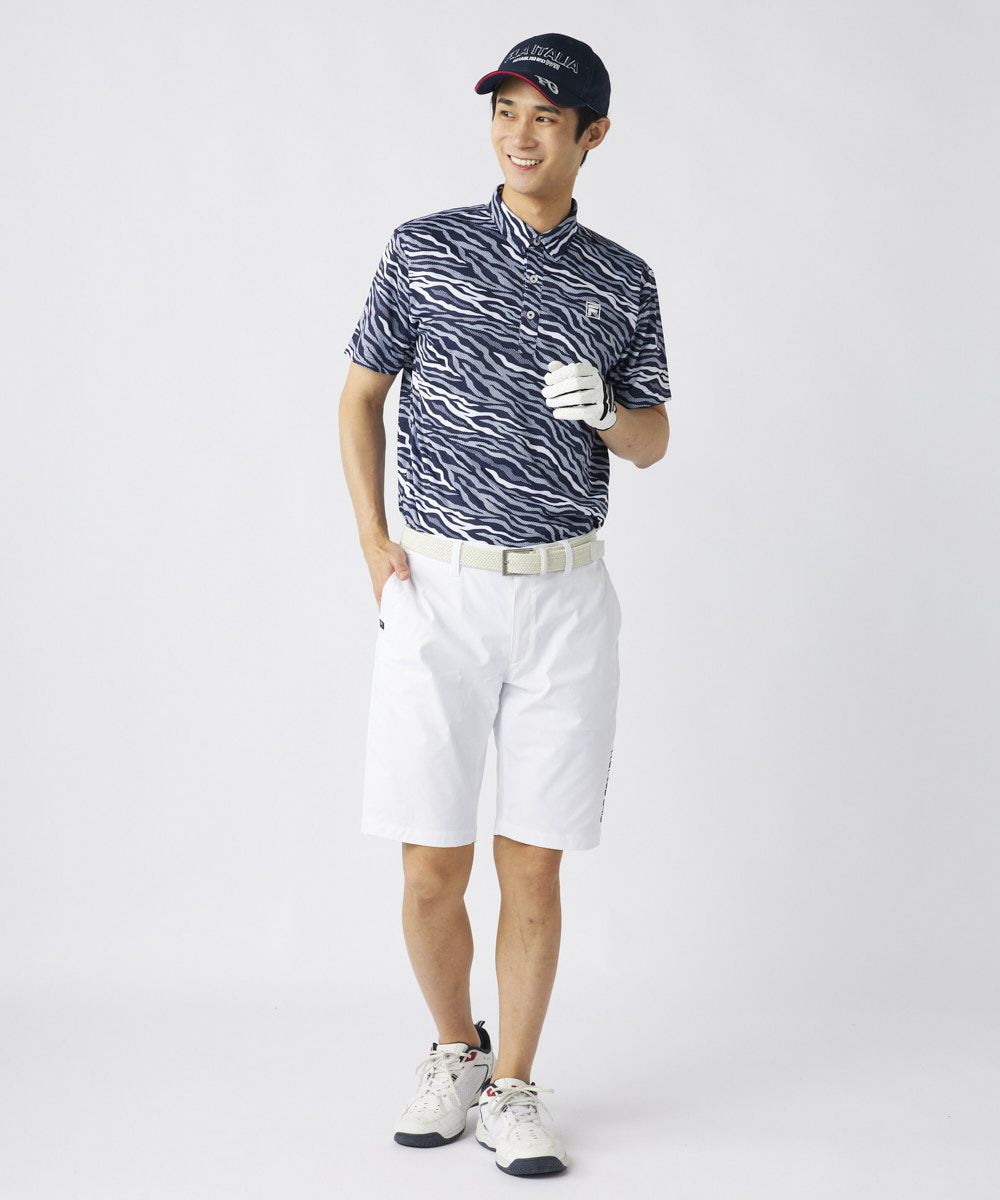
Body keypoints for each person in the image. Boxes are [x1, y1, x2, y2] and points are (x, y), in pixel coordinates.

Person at [338, 32, 671, 1177]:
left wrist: (610, 415)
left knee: (533, 867)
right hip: (437, 591)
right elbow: (360, 395)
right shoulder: (424, 249)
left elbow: (654, 440)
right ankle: (455, 1049)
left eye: (545, 116)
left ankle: (515, 1086)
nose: (519, 134)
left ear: (592, 135)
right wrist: (373, 541)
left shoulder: (621, 280)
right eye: (505, 111)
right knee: (430, 865)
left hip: (565, 597)